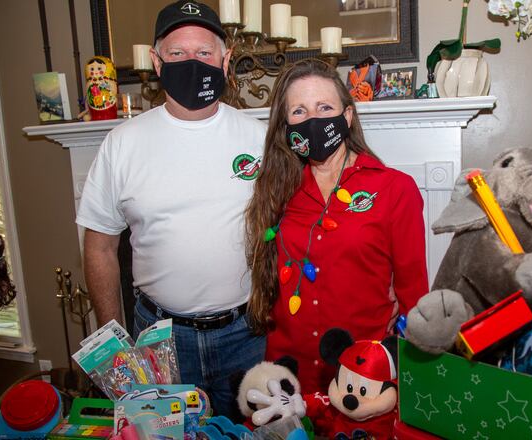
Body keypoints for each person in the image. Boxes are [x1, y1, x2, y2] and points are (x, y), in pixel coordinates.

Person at [76, 0, 266, 417]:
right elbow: (100, 247)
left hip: (247, 335)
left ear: (225, 59)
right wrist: (114, 341)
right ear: (156, 62)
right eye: (177, 54)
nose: (192, 63)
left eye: (204, 53)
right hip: (158, 339)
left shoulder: (258, 139)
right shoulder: (123, 143)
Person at [244, 59, 428, 395]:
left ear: (347, 116)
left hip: (362, 383)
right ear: (286, 126)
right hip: (286, 381)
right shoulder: (275, 189)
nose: (312, 119)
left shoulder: (394, 189)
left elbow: (413, 296)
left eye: (324, 107)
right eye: (298, 111)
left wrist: (406, 380)